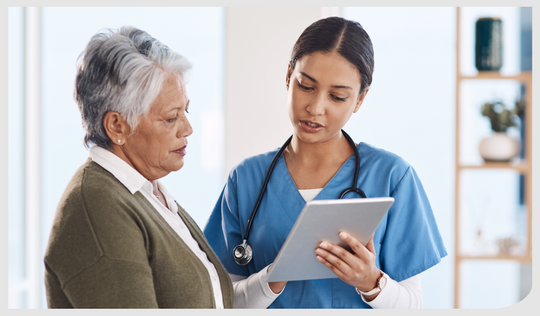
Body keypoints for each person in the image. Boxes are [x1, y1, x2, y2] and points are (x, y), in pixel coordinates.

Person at [203, 16, 447, 309]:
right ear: (288, 76)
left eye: (337, 96)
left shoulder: (393, 177)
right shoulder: (246, 179)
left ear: (359, 100)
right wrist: (273, 278)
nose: (315, 108)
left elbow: (415, 306)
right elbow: (222, 302)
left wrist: (371, 283)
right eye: (306, 86)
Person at [44, 26, 233, 308]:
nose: (188, 129)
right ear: (117, 126)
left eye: (186, 111)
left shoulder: (148, 193)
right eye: (171, 118)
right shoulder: (99, 207)